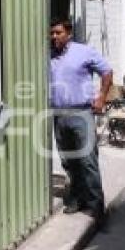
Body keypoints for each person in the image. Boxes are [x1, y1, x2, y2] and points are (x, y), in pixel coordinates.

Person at [49, 17, 113, 220]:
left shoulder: (84, 51)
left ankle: (96, 206)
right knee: (69, 161)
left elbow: (107, 71)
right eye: (51, 33)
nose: (54, 37)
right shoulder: (49, 55)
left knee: (87, 160)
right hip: (59, 116)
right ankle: (77, 199)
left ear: (68, 34)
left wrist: (102, 96)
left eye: (58, 33)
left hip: (81, 114)